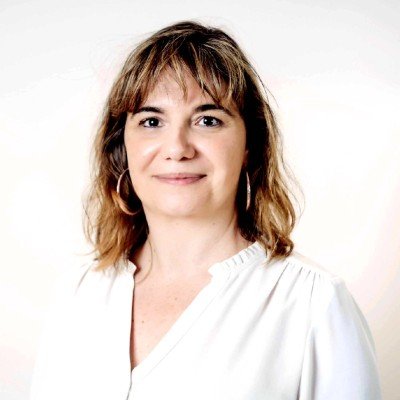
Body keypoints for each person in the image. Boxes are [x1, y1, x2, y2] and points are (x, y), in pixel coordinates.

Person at [30, 21, 381, 400]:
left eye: (207, 120)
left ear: (249, 146)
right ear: (121, 148)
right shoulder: (78, 294)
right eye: (151, 121)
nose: (177, 148)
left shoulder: (313, 303)